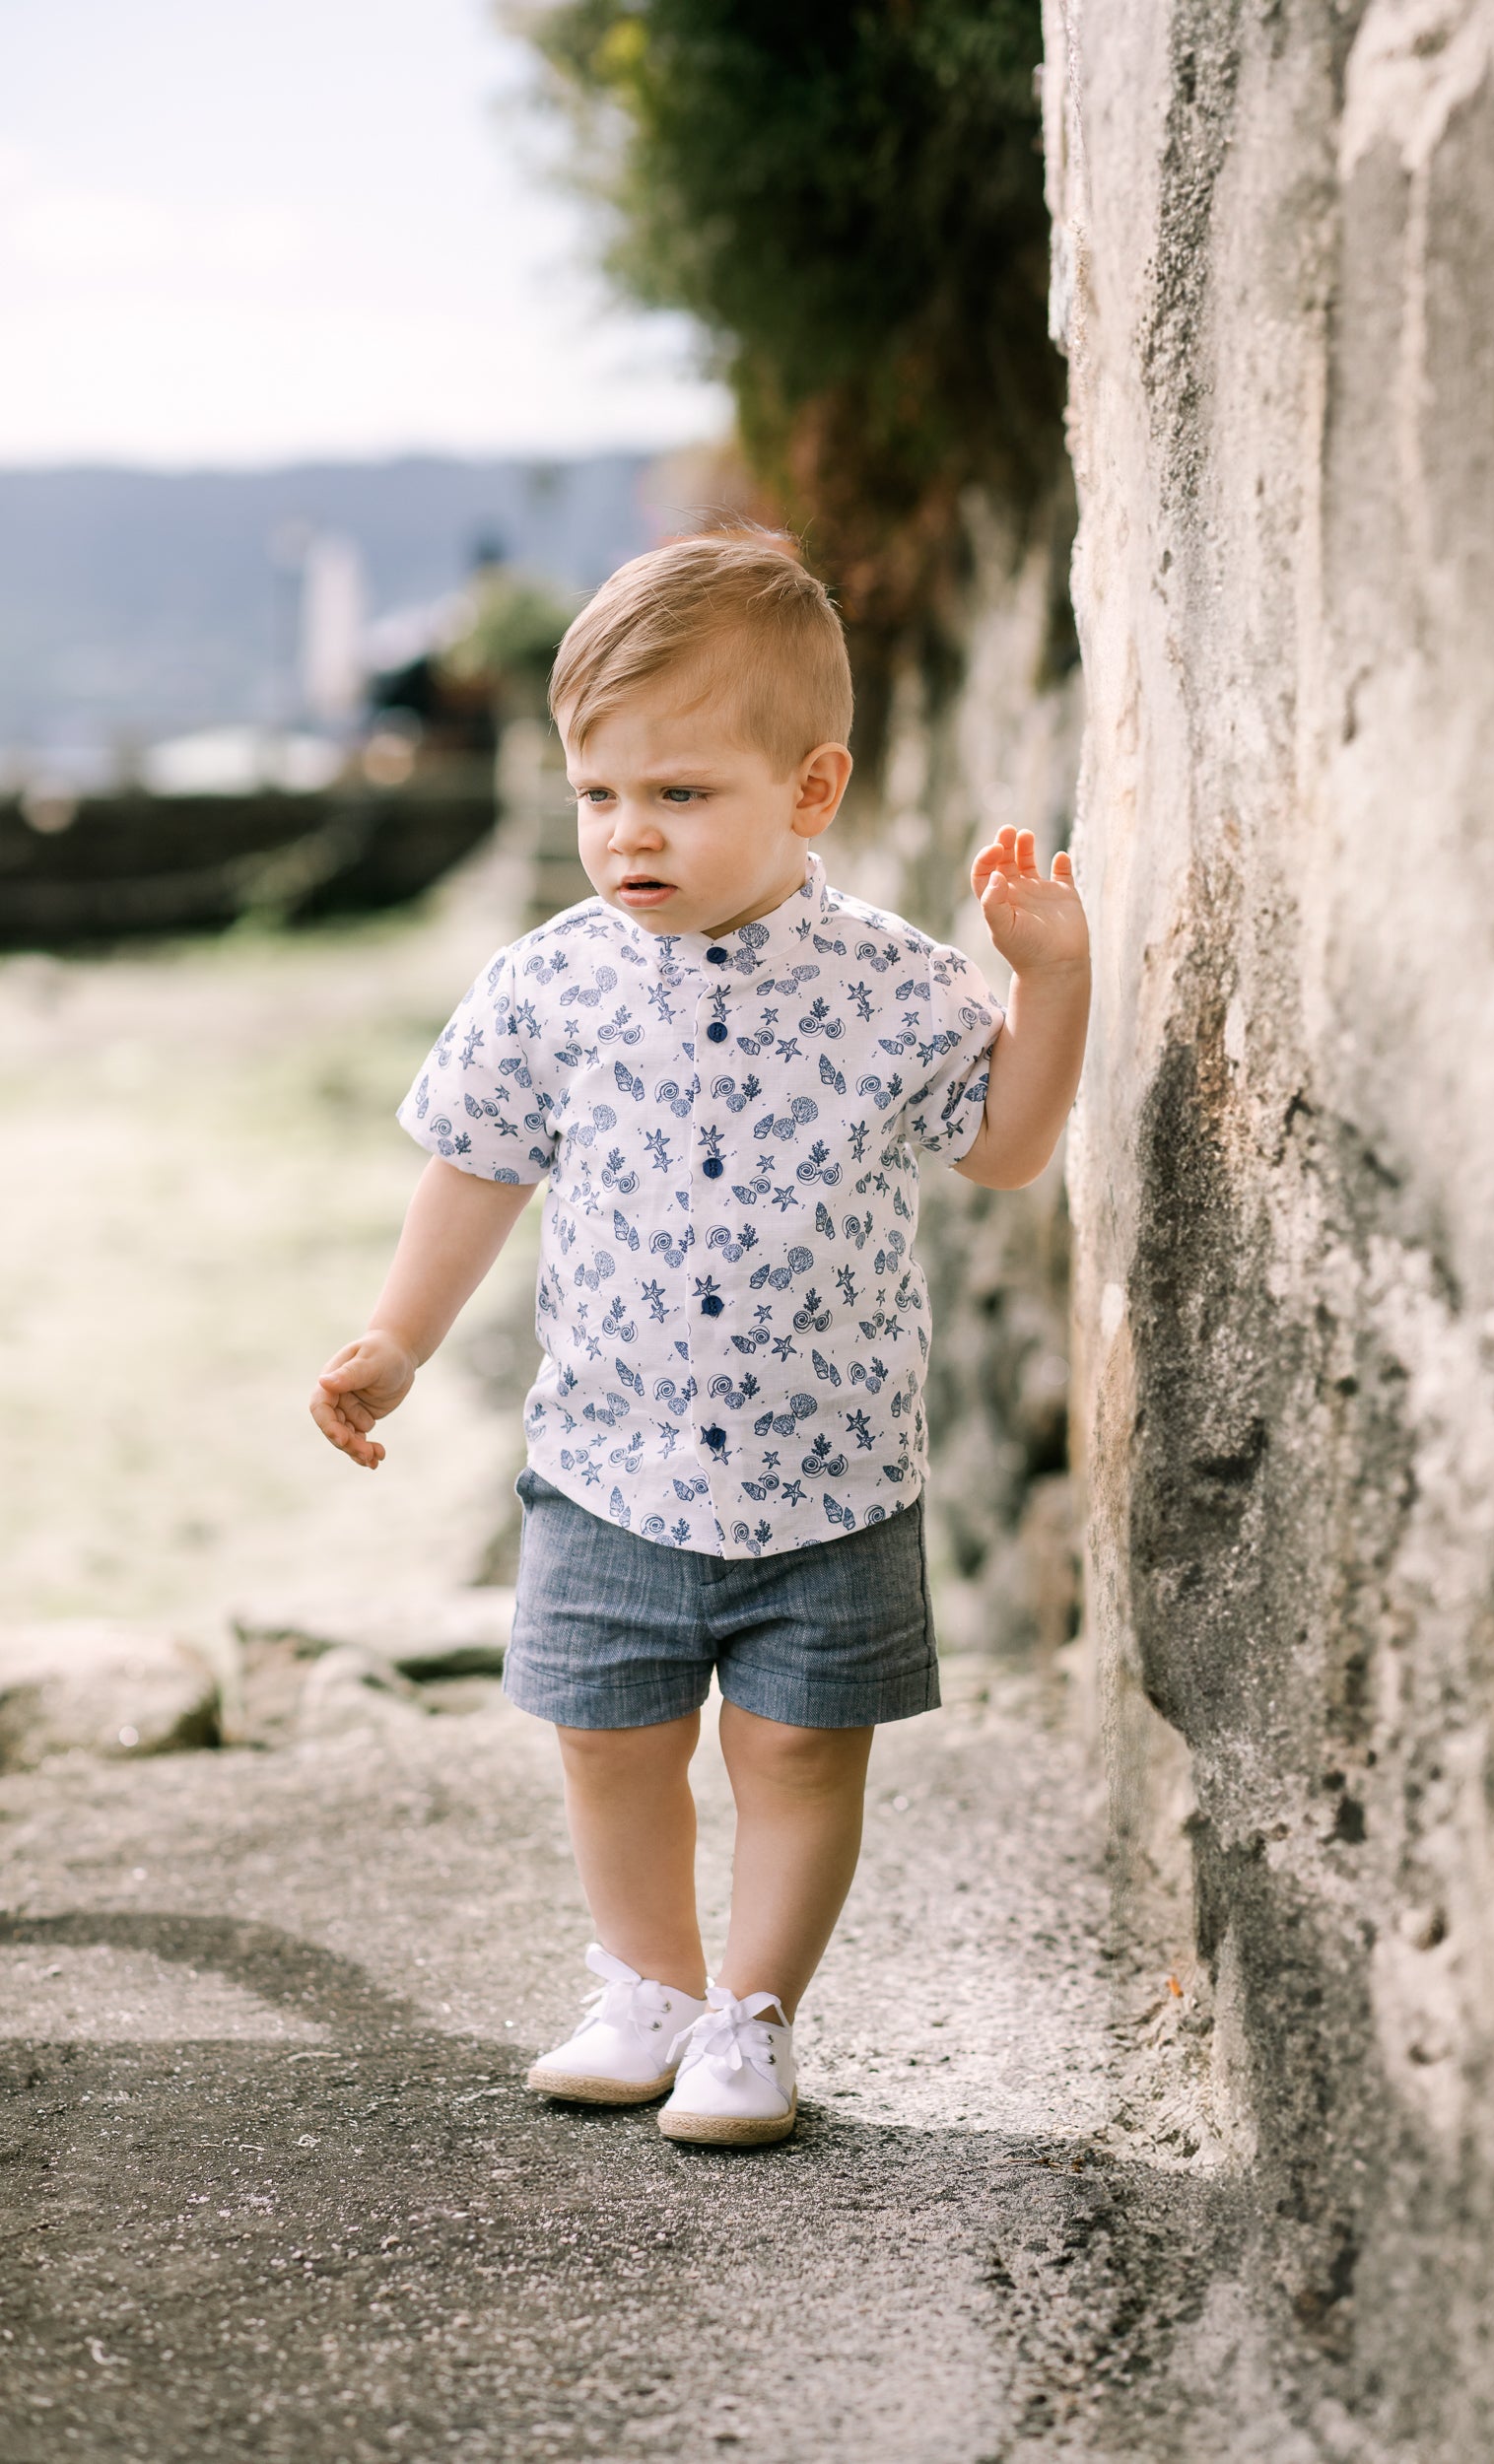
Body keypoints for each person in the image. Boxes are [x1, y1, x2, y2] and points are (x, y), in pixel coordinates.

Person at [309, 531, 1089, 2148]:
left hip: (836, 1470)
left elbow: (1007, 1148)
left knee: (801, 1752)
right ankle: (645, 1988)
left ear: (811, 791)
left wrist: (1052, 987)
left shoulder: (899, 987)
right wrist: (395, 1339)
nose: (626, 834)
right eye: (599, 794)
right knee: (611, 1741)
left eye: (678, 793)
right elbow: (476, 1170)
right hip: (607, 1461)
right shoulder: (550, 987)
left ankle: (751, 2016)